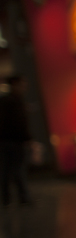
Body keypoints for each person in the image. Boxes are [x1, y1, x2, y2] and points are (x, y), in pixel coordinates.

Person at [0, 75, 32, 206]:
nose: (24, 87)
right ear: (15, 84)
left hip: (7, 141)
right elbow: (18, 124)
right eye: (22, 84)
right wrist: (26, 138)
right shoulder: (14, 102)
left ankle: (6, 198)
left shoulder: (6, 101)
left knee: (6, 171)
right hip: (14, 141)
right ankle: (22, 197)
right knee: (17, 170)